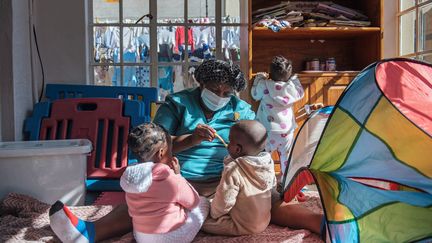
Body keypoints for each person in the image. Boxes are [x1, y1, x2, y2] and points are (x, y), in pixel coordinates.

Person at [48, 59, 323, 243]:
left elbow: (255, 142)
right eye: (215, 89)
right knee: (140, 206)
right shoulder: (179, 103)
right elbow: (156, 146)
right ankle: (88, 232)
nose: (221, 95)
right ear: (201, 84)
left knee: (269, 201)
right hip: (181, 181)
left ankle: (323, 224)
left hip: (226, 182)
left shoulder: (239, 108)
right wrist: (192, 139)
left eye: (227, 91)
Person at [49, 123, 209, 243]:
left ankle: (85, 233)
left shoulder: (129, 176)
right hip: (172, 234)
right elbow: (193, 201)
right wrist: (178, 175)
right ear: (162, 153)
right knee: (201, 204)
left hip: (141, 236)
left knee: (139, 207)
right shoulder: (169, 178)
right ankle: (88, 233)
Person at [202, 120, 276, 235]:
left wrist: (211, 213)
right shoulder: (268, 162)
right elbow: (272, 186)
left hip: (241, 226)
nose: (227, 143)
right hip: (264, 221)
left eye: (230, 140)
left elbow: (224, 203)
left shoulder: (233, 169)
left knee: (198, 218)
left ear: (237, 149)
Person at [251, 55, 304, 180]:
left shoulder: (265, 84)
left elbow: (255, 95)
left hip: (267, 130)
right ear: (288, 75)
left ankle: (267, 181)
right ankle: (286, 180)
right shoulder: (291, 88)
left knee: (265, 158)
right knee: (285, 157)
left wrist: (259, 78)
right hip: (287, 131)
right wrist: (294, 79)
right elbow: (300, 91)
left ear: (270, 73)